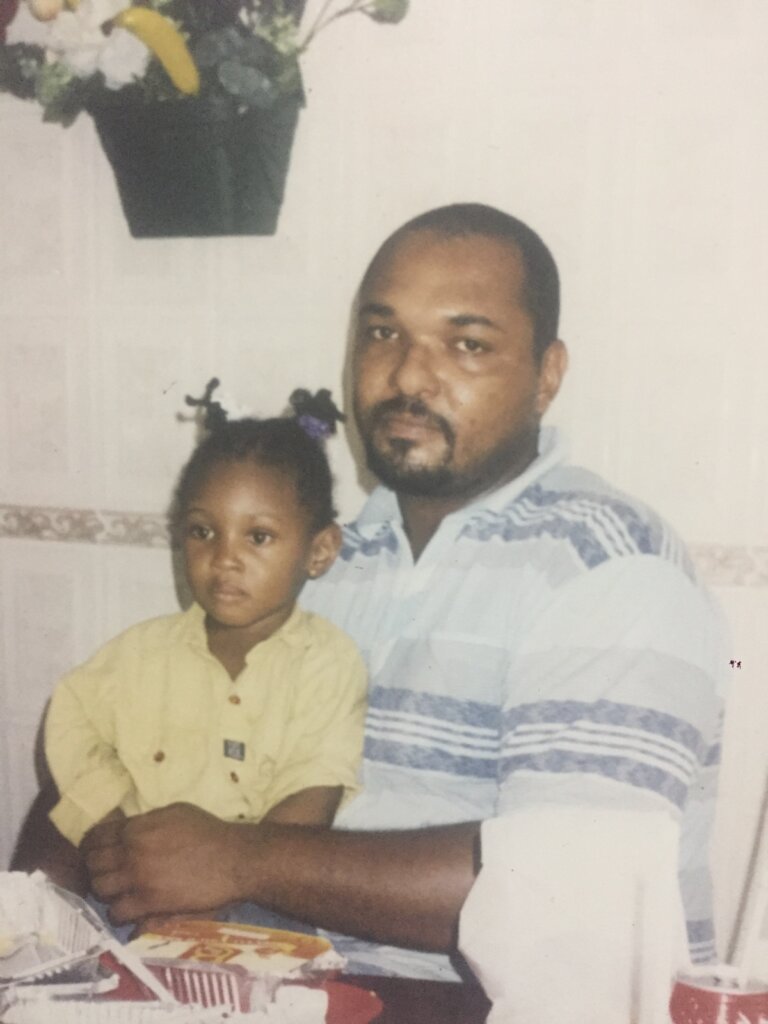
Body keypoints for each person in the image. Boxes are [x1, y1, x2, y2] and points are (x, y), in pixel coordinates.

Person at [14, 203, 725, 984]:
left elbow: (570, 891)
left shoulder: (608, 567)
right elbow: (119, 751)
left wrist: (244, 858)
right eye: (383, 333)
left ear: (546, 375)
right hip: (277, 987)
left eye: (467, 344)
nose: (409, 376)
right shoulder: (323, 563)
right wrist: (40, 941)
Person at [15, 387, 367, 924]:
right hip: (134, 888)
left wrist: (225, 888)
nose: (224, 558)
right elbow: (71, 717)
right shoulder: (141, 653)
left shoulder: (328, 663)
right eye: (204, 531)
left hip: (259, 904)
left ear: (318, 551)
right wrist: (109, 826)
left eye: (258, 536)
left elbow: (312, 795)